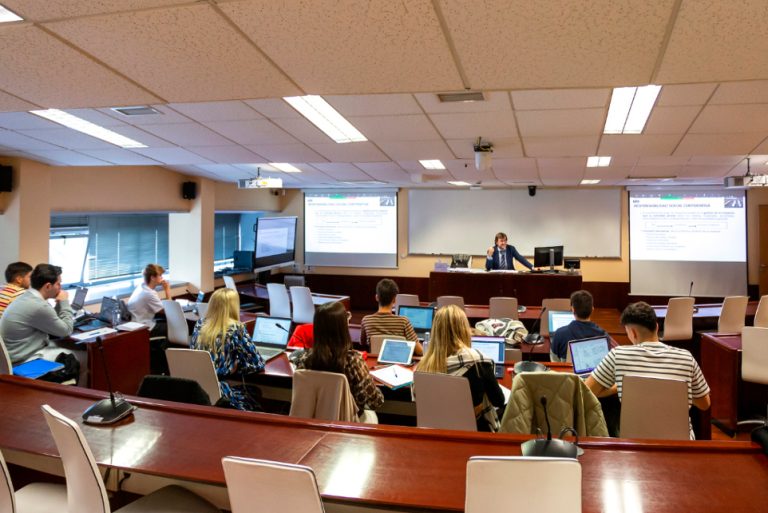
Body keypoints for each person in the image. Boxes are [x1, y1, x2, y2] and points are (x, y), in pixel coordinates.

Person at [585, 301, 711, 439]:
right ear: (656, 327)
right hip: (681, 444)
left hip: (634, 444)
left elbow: (586, 392)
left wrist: (618, 387)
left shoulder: (618, 355)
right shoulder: (686, 357)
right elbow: (705, 404)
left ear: (632, 333)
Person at [415, 304, 506, 432]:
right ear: (463, 329)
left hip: (435, 433)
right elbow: (499, 400)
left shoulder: (423, 366)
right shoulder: (478, 361)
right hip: (474, 435)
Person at [295, 301, 384, 415]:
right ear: (343, 326)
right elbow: (374, 402)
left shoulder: (303, 359)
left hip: (313, 420)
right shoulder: (353, 361)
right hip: (347, 422)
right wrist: (370, 381)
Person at [0, 264, 84, 383]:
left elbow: (50, 320)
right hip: (25, 360)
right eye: (58, 284)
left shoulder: (26, 296)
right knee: (82, 357)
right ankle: (80, 397)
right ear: (48, 286)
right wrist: (65, 302)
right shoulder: (38, 305)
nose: (60, 288)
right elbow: (66, 330)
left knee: (62, 347)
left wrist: (60, 305)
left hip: (14, 355)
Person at [190, 288, 265, 411]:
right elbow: (256, 364)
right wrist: (235, 365)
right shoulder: (236, 327)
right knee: (254, 392)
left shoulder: (200, 324)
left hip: (198, 391)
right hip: (223, 395)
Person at [359, 278, 422, 355]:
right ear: (394, 300)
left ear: (376, 297)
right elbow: (419, 351)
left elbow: (362, 344)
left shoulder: (366, 320)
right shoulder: (404, 321)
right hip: (399, 364)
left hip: (375, 364)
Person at [550, 290, 609, 362]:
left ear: (572, 309)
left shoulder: (560, 333)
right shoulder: (604, 336)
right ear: (592, 310)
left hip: (566, 372)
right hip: (594, 373)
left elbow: (554, 360)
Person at [126, 263, 172, 335]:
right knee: (175, 327)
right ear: (152, 277)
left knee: (164, 321)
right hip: (144, 327)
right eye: (160, 275)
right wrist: (167, 290)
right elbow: (169, 312)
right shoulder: (149, 293)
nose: (162, 278)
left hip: (136, 322)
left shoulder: (142, 286)